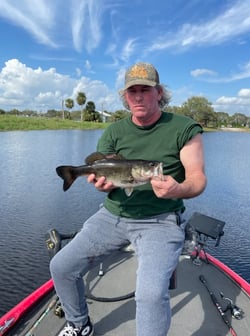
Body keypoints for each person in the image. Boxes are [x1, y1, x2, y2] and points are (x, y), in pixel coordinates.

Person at [50, 62, 207, 336]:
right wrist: (100, 185)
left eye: (145, 90)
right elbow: (107, 181)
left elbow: (197, 178)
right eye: (131, 91)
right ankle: (78, 324)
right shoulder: (113, 132)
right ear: (125, 96)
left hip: (161, 221)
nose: (138, 96)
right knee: (60, 266)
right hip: (112, 215)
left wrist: (177, 189)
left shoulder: (184, 128)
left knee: (148, 295)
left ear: (159, 93)